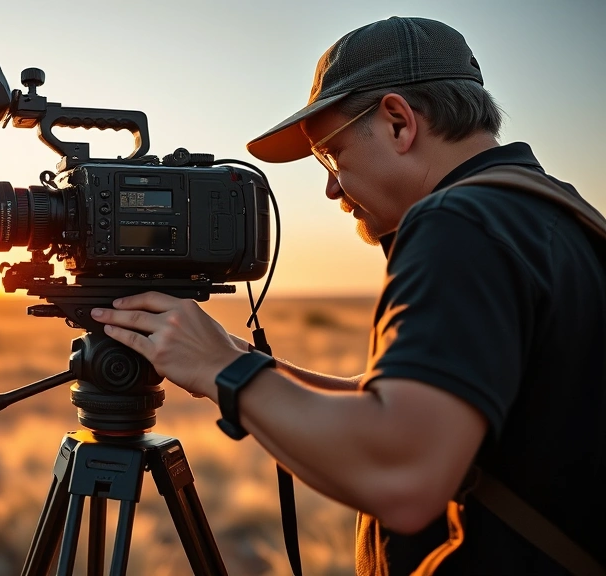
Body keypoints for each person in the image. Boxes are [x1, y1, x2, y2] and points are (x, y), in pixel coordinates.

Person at [90, 16, 606, 575]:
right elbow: (428, 408)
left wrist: (223, 373)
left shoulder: (459, 224)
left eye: (329, 156)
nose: (332, 186)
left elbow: (404, 474)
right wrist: (241, 361)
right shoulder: (553, 216)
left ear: (397, 122)